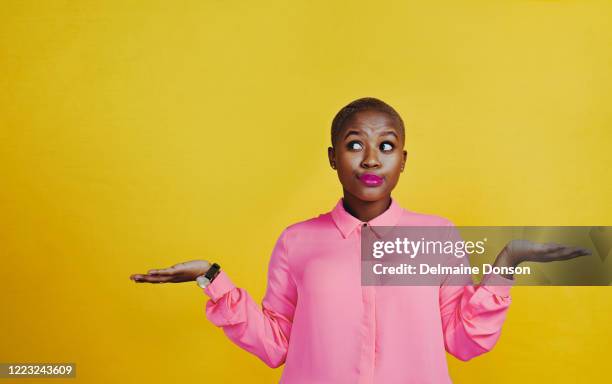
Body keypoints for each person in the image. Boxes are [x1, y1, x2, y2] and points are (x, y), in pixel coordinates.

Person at [130, 97, 590, 383]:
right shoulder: (297, 241)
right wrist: (212, 279)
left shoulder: (436, 236)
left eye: (386, 147)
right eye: (355, 145)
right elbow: (276, 345)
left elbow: (464, 341)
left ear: (403, 160)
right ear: (333, 157)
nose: (371, 159)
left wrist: (505, 264)